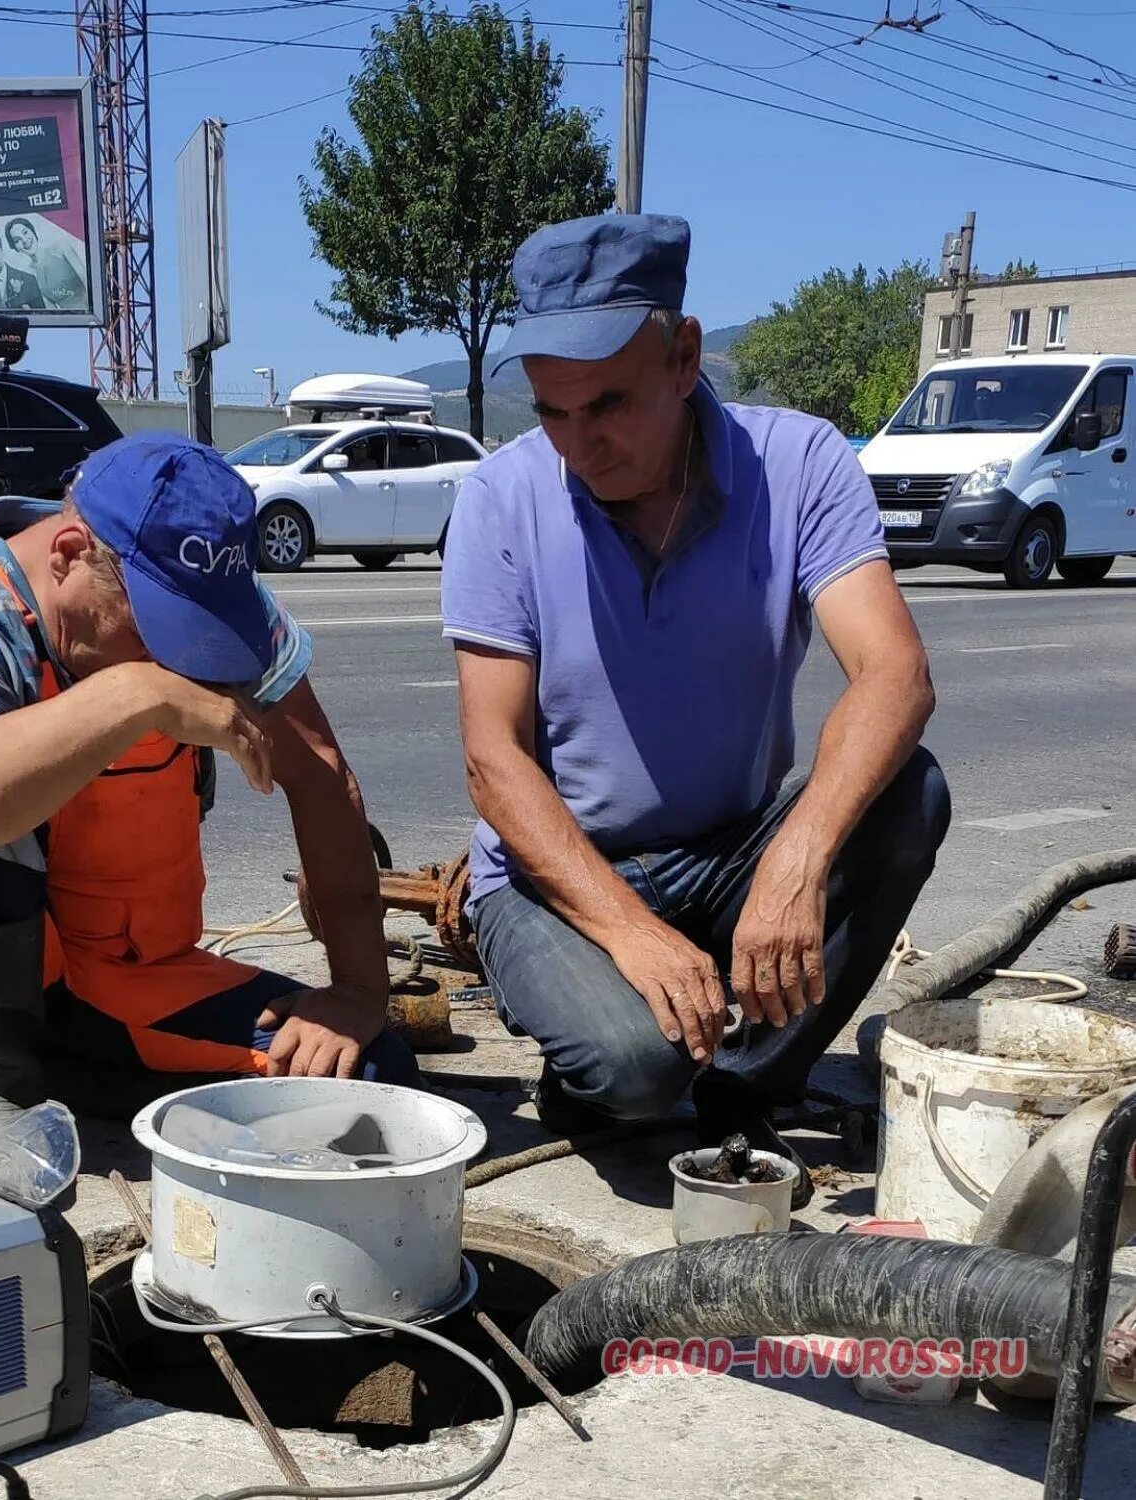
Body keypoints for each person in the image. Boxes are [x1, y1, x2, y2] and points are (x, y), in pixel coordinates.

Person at [440, 214, 950, 1207]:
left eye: (610, 405)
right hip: (555, 877)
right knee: (633, 1071)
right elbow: (492, 761)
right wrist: (630, 933)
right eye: (551, 412)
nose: (580, 445)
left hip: (731, 847)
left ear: (683, 357)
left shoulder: (796, 465)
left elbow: (895, 675)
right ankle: (628, 1063)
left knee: (908, 796)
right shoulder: (501, 501)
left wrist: (796, 861)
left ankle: (745, 1086)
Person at [0, 431, 418, 1166]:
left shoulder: (225, 601)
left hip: (132, 975)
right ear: (67, 556)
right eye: (158, 632)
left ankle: (58, 1075)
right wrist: (136, 696)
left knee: (368, 1075)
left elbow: (321, 774)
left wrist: (356, 992)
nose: (179, 657)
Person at [5, 218, 87, 311]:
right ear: (15, 247)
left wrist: (91, 314)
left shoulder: (61, 247)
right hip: (72, 320)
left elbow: (86, 279)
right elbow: (51, 309)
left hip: (91, 313)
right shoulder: (30, 275)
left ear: (33, 231)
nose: (24, 240)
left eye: (25, 232)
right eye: (17, 240)